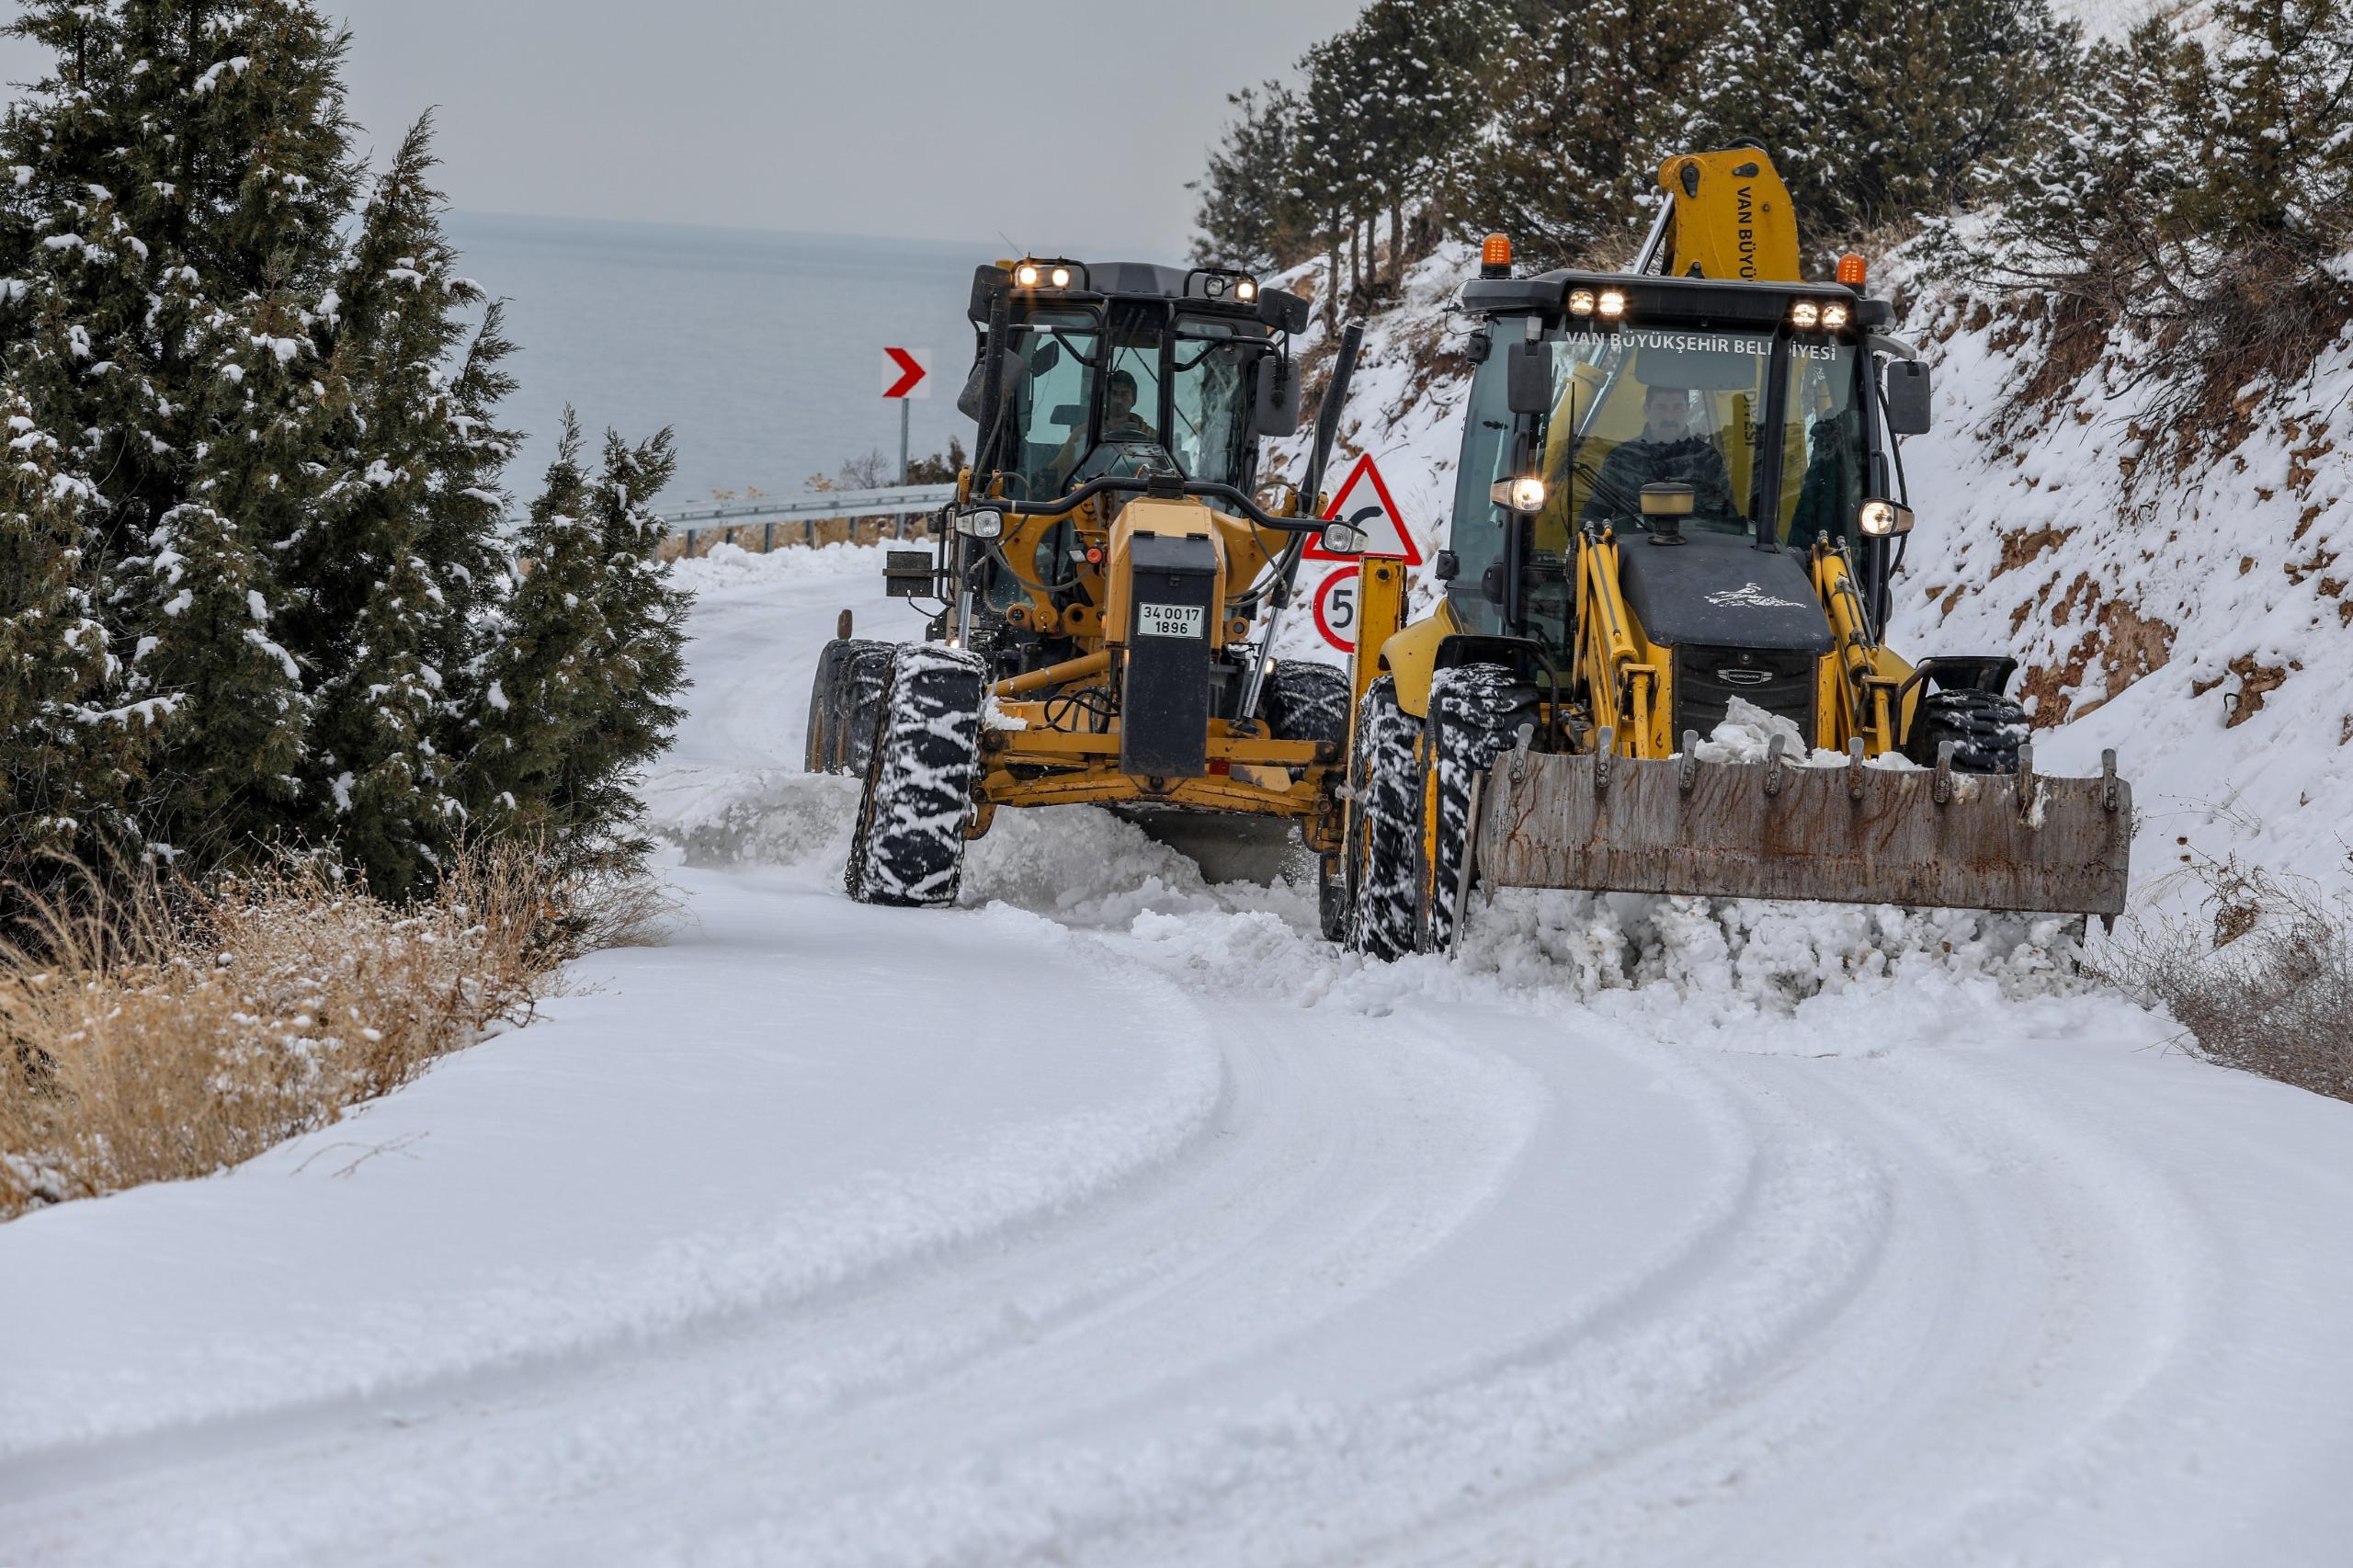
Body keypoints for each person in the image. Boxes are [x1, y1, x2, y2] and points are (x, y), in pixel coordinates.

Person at [1582, 383, 1741, 530]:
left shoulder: (1708, 459)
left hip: (1698, 553)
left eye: (1678, 408)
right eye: (1661, 408)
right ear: (1647, 410)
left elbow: (1728, 521)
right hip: (1630, 553)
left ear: (1688, 409)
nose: (1669, 418)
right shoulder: (1622, 458)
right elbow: (1594, 517)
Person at [1050, 368, 1156, 489]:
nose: (1118, 400)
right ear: (1106, 397)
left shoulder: (1152, 437)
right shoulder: (1083, 433)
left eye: (1124, 394)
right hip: (1088, 496)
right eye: (1114, 393)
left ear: (1134, 399)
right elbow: (1061, 471)